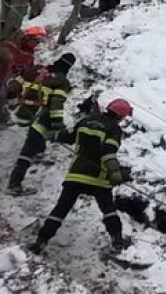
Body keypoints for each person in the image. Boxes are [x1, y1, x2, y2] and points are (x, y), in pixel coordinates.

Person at [29, 98, 134, 254]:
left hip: (76, 175)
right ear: (121, 116)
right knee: (108, 210)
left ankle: (41, 241)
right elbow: (107, 152)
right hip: (98, 178)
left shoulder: (86, 121)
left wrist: (50, 135)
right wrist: (115, 171)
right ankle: (118, 242)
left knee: (61, 209)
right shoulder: (113, 129)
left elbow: (67, 135)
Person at [8, 53, 75, 195]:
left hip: (22, 112)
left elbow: (13, 85)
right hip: (39, 116)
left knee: (37, 137)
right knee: (28, 148)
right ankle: (14, 184)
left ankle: (39, 153)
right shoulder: (62, 81)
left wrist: (12, 97)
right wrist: (58, 124)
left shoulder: (36, 69)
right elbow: (56, 104)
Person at [2, 26, 46, 127]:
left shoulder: (29, 58)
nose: (37, 44)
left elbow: (25, 74)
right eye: (36, 40)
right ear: (27, 37)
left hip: (9, 86)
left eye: (39, 41)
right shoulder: (8, 46)